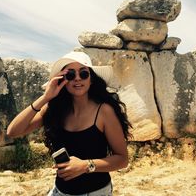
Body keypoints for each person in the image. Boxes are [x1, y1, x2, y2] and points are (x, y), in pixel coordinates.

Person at [7, 51, 131, 196]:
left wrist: (86, 166)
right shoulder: (55, 109)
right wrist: (45, 97)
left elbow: (122, 159)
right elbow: (13, 131)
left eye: (83, 74)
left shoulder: (104, 111)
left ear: (91, 79)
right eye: (70, 75)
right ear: (63, 80)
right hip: (59, 191)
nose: (77, 79)